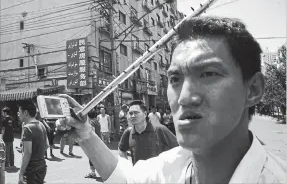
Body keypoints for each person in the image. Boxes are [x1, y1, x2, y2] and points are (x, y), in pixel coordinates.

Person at [57, 16, 286, 183]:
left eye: (208, 74)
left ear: (253, 89)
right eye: (175, 79)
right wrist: (85, 134)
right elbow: (123, 178)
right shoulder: (168, 168)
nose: (185, 97)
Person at [118, 100, 178, 165]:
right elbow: (121, 149)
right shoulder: (128, 132)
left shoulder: (159, 129)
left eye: (136, 113)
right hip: (138, 174)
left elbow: (178, 148)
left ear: (145, 114)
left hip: (157, 173)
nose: (133, 116)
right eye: (130, 113)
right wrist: (127, 166)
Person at [18, 102, 48, 184]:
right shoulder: (41, 124)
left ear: (25, 113)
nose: (18, 114)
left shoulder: (27, 128)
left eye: (19, 112)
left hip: (31, 169)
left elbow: (27, 153)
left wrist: (20, 174)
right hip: (42, 166)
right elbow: (46, 146)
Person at [84, 110, 102, 180]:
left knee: (91, 157)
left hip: (93, 142)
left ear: (88, 115)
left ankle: (93, 173)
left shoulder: (91, 122)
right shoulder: (97, 121)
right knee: (96, 157)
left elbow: (92, 132)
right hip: (98, 140)